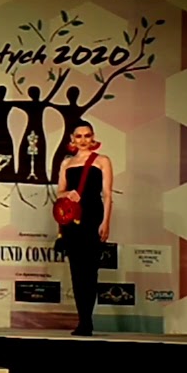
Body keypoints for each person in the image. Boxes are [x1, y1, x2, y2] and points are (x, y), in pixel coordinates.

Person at [55, 121, 113, 336]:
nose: (83, 140)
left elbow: (107, 195)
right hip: (72, 221)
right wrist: (68, 194)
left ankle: (87, 319)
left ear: (93, 137)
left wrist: (105, 222)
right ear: (72, 139)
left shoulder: (102, 161)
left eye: (87, 135)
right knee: (77, 272)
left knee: (90, 271)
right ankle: (83, 321)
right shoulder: (66, 163)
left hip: (93, 217)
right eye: (78, 136)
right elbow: (59, 193)